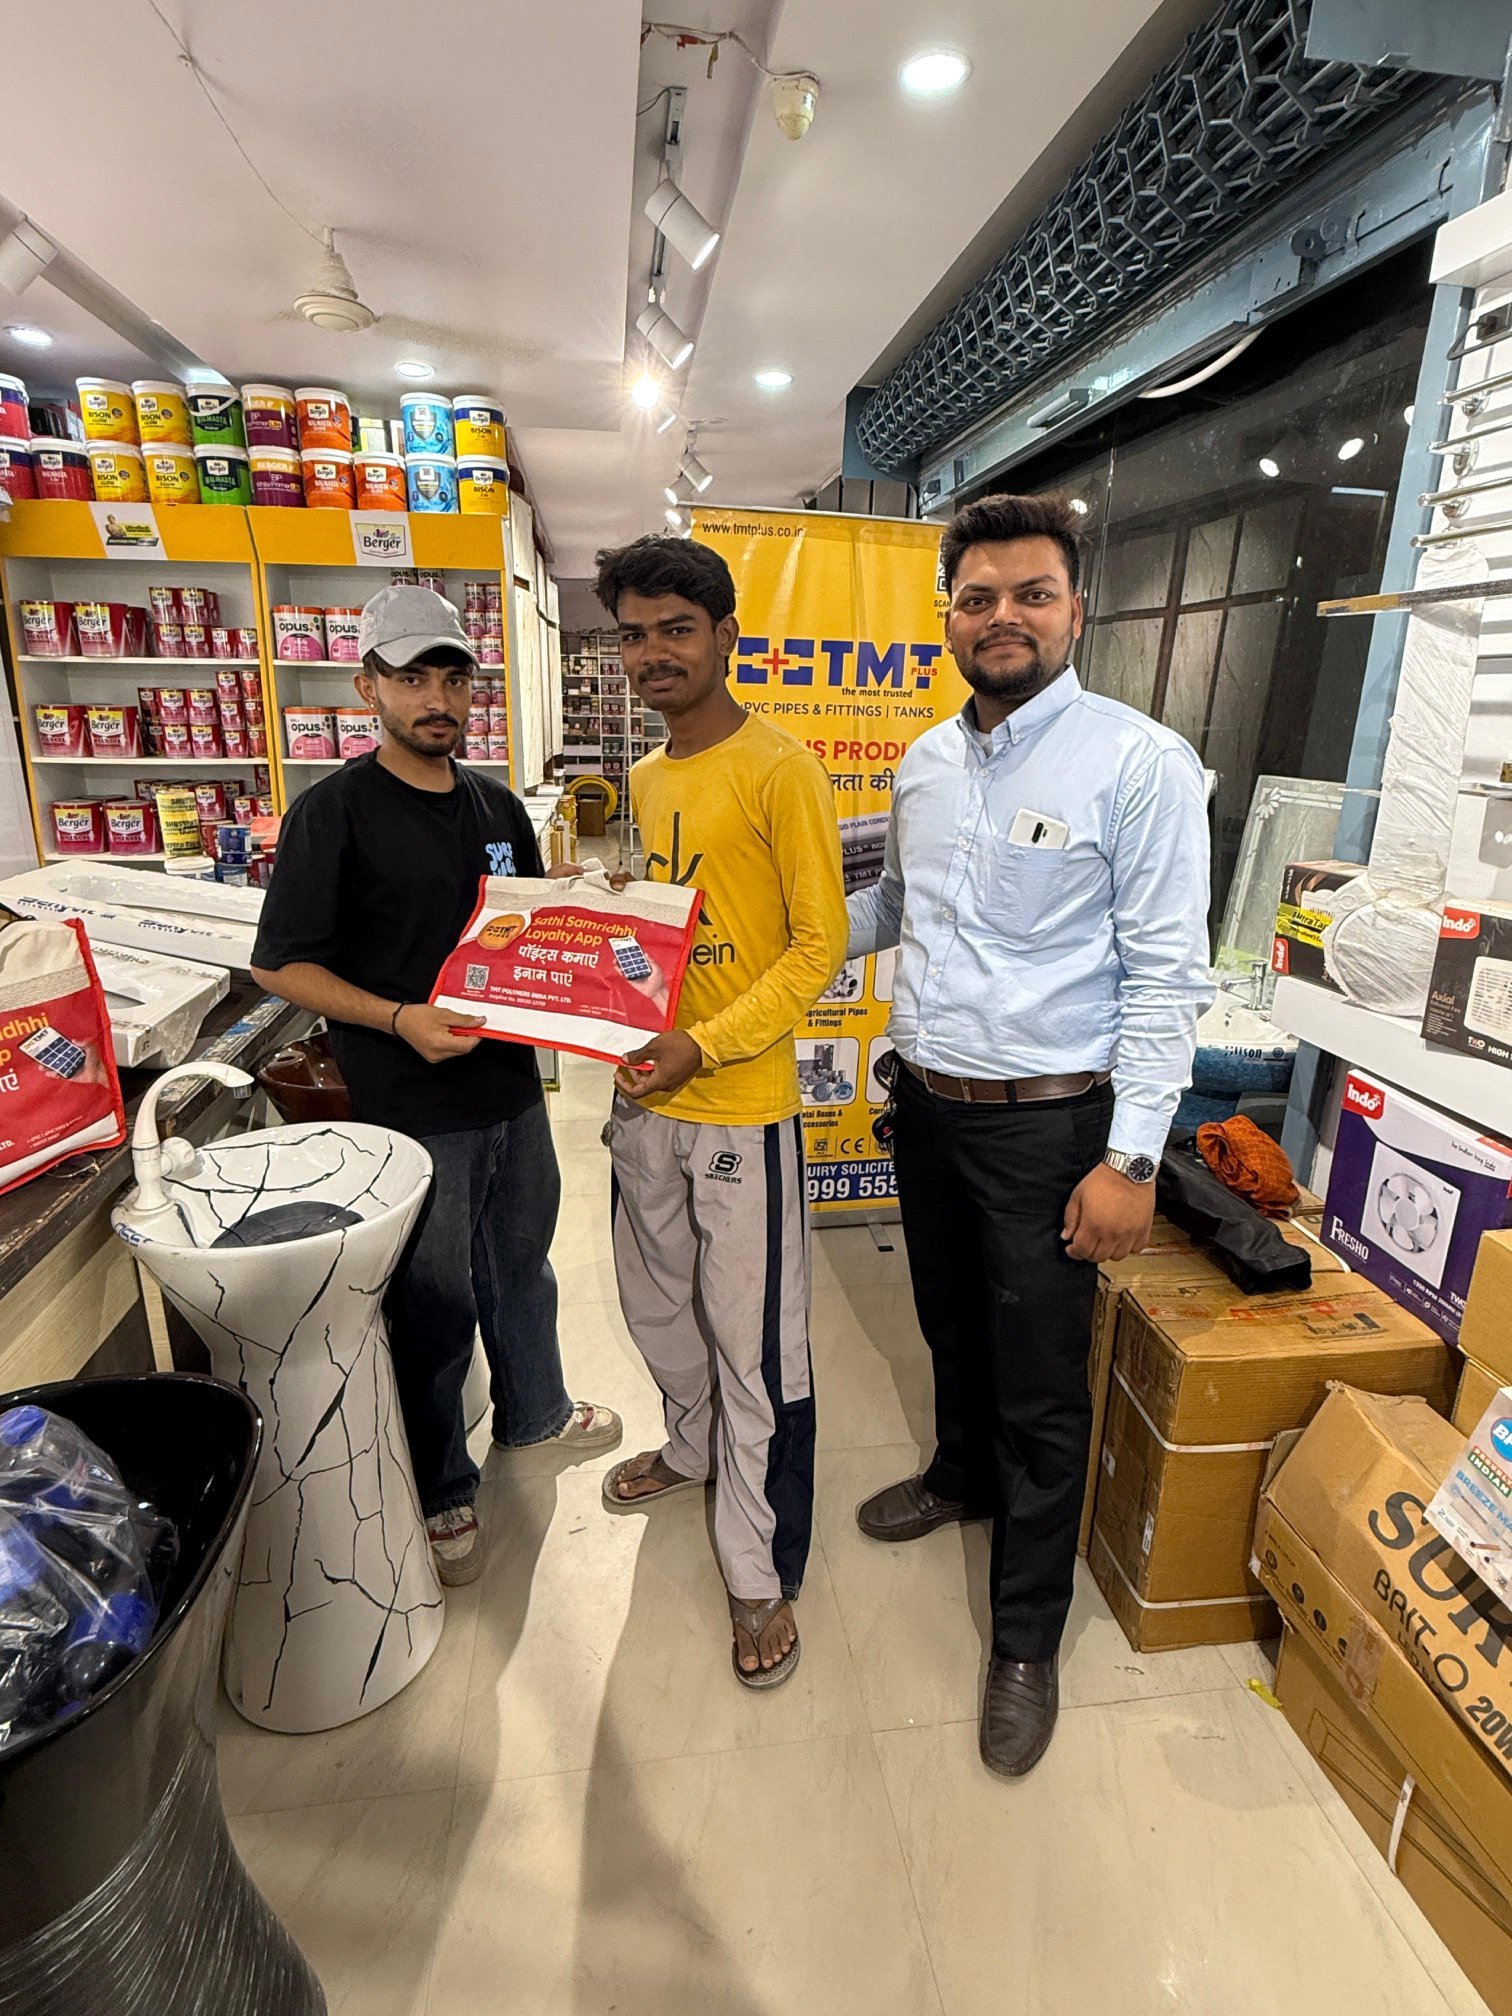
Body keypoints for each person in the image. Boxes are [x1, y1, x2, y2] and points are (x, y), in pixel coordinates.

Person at [847, 493, 1212, 1776]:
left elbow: (1168, 978)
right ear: (949, 616)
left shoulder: (1139, 764)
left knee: (1045, 1387)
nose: (1003, 616)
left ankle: (1024, 1636)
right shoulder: (925, 763)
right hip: (927, 1106)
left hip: (1052, 1128)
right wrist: (761, 934)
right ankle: (960, 1475)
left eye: (1032, 594)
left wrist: (1130, 1160)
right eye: (979, 597)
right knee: (949, 1323)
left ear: (1075, 609)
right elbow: (894, 906)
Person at [251, 585, 620, 1587]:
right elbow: (279, 965)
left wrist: (590, 909)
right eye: (412, 677)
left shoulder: (497, 807)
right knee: (433, 1298)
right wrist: (398, 1017)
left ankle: (536, 1412)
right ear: (367, 686)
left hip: (511, 1091)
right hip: (410, 1106)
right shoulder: (333, 814)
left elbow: (530, 927)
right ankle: (443, 1484)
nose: (437, 698)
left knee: (524, 1266)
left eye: (453, 678)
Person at [588, 535, 848, 1689]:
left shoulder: (782, 769)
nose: (653, 652)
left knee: (754, 1350)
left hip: (740, 1106)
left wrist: (705, 1042)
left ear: (726, 635)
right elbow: (665, 930)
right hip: (646, 1097)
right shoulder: (646, 780)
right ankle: (690, 1451)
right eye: (634, 634)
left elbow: (816, 948)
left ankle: (758, 1566)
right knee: (656, 1306)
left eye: (676, 630)